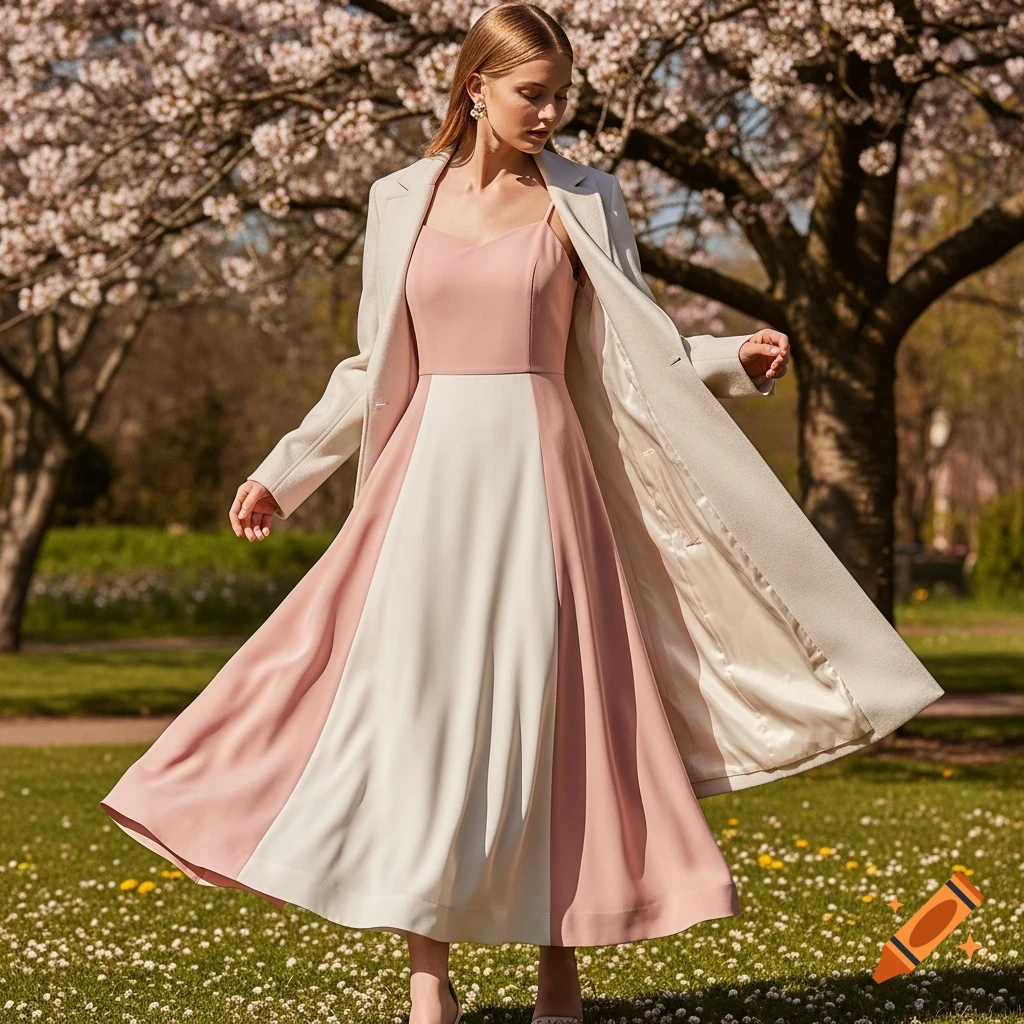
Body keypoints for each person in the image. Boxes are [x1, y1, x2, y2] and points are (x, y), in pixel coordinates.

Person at [101, 5, 792, 1024]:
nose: (553, 113)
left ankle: (562, 967)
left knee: (556, 720)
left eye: (563, 95)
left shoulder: (586, 200)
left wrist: (734, 357)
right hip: (424, 490)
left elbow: (634, 350)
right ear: (475, 88)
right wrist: (284, 471)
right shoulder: (399, 200)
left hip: (544, 482)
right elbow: (369, 364)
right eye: (533, 94)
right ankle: (430, 977)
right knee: (422, 723)